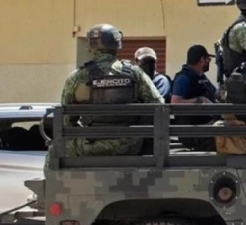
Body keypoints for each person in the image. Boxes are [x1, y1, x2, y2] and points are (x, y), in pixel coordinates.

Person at [49, 23, 163, 165]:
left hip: (89, 146)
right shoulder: (135, 73)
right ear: (117, 44)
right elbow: (158, 105)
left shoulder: (77, 77)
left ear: (91, 46)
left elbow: (66, 120)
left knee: (53, 150)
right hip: (129, 146)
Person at [171, 44, 220, 151]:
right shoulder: (184, 78)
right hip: (193, 132)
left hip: (206, 126)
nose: (209, 63)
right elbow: (175, 102)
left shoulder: (201, 76)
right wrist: (199, 100)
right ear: (202, 59)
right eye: (208, 60)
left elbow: (216, 94)